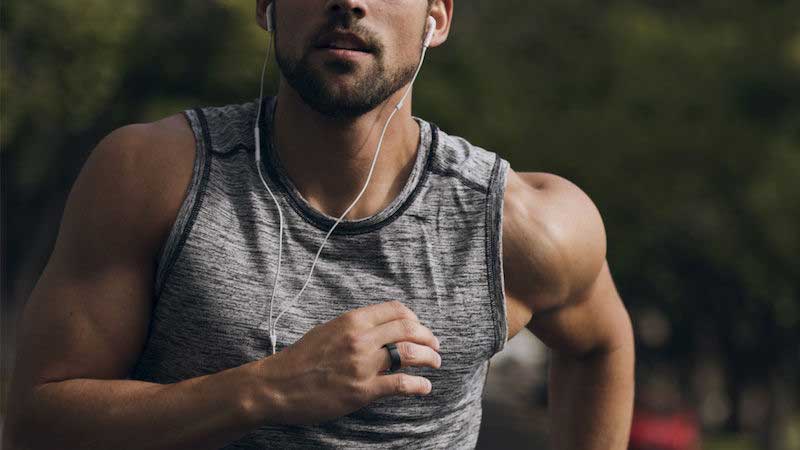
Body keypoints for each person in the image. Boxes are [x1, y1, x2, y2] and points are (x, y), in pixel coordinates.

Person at [3, 1, 635, 449]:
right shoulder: (151, 176)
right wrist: (266, 390)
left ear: (436, 18)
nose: (348, 3)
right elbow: (35, 426)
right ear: (266, 6)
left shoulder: (515, 223)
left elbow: (602, 345)